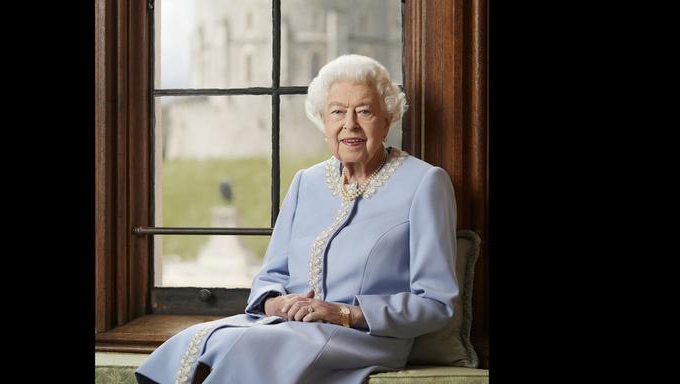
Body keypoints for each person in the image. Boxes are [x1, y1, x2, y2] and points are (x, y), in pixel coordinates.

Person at [135, 54, 458, 384]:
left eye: (364, 111)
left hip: (364, 338)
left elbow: (436, 302)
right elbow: (270, 276)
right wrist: (275, 305)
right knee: (197, 339)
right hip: (287, 328)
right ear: (323, 123)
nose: (350, 124)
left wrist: (344, 313)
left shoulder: (424, 183)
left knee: (249, 347)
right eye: (337, 112)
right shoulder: (307, 181)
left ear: (388, 118)